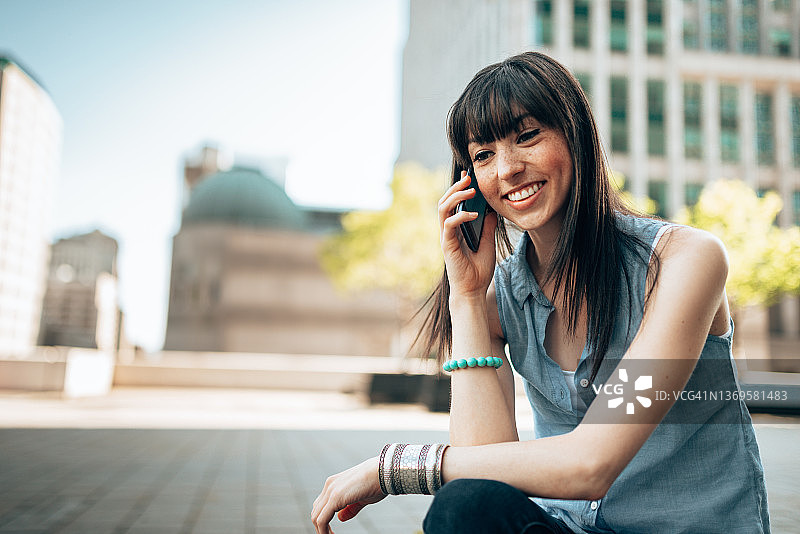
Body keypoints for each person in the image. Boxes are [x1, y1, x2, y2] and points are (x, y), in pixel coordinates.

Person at [311, 51, 770, 534]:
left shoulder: (684, 261)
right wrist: (466, 298)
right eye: (483, 154)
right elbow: (483, 472)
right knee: (466, 507)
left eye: (527, 137)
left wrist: (397, 468)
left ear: (576, 137)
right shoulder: (499, 301)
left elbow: (592, 466)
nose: (507, 168)